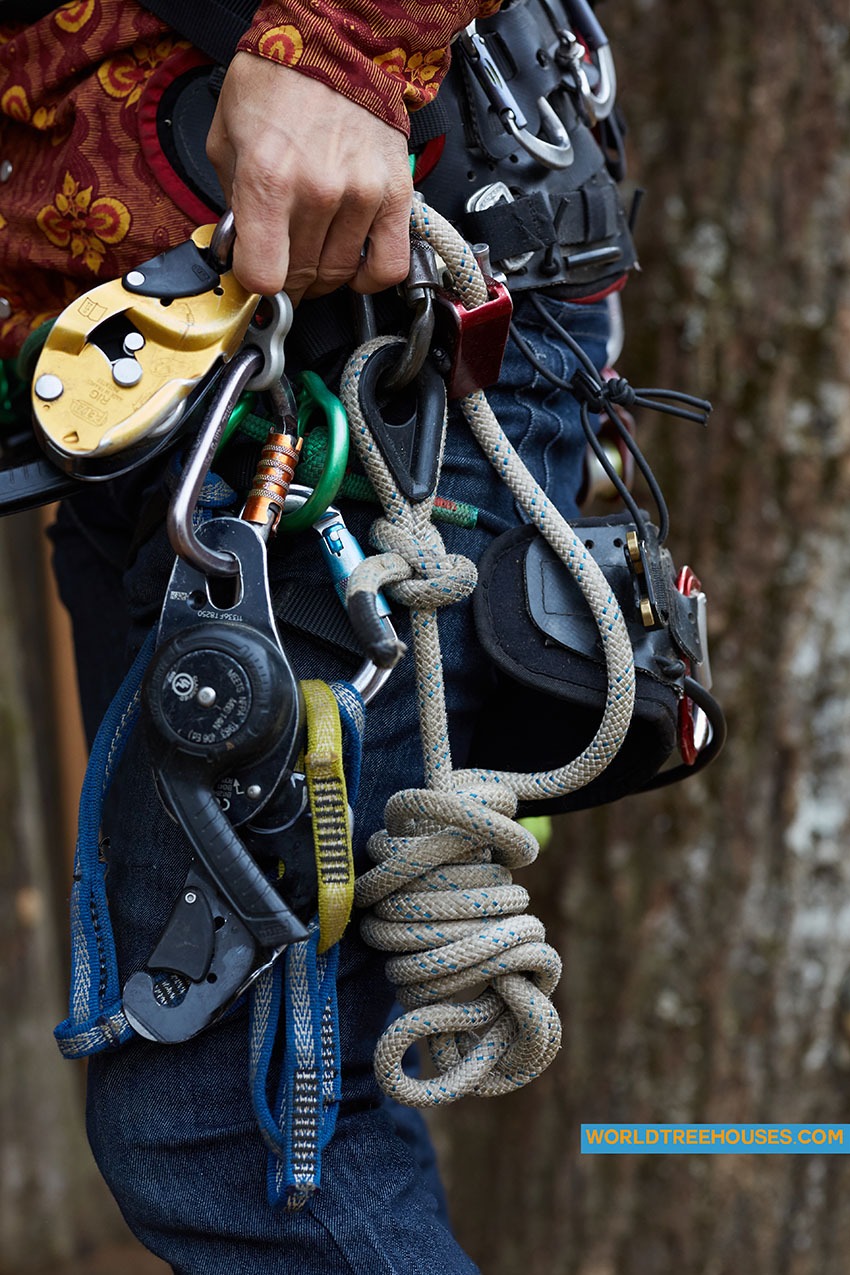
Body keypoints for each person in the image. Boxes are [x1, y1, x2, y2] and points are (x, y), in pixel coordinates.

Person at [0, 2, 633, 1270]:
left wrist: (337, 44)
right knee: (245, 1104)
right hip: (138, 391)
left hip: (352, 338)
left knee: (228, 1131)